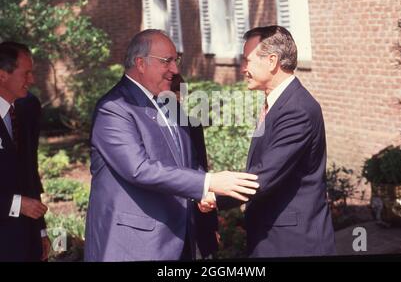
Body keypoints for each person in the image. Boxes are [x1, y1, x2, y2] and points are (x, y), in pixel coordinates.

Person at [84, 29, 258, 261]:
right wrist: (208, 182)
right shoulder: (114, 109)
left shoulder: (168, 105)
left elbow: (187, 161)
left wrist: (207, 193)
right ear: (141, 63)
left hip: (179, 240)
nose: (175, 69)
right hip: (134, 246)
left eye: (176, 61)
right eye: (167, 61)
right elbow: (139, 169)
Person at [204, 25, 336, 257]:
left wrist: (213, 195)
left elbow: (266, 174)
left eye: (248, 60)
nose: (243, 68)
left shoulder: (297, 109)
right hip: (275, 235)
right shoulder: (279, 102)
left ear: (272, 61)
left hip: (293, 243)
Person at [0, 41, 50, 261]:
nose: (32, 80)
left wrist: (41, 231)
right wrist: (16, 204)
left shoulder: (28, 108)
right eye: (26, 73)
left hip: (26, 237)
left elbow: (30, 172)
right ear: (2, 75)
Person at [171, 74, 219, 259]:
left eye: (179, 95)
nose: (177, 101)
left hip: (196, 216)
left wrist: (212, 226)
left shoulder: (192, 125)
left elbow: (202, 171)